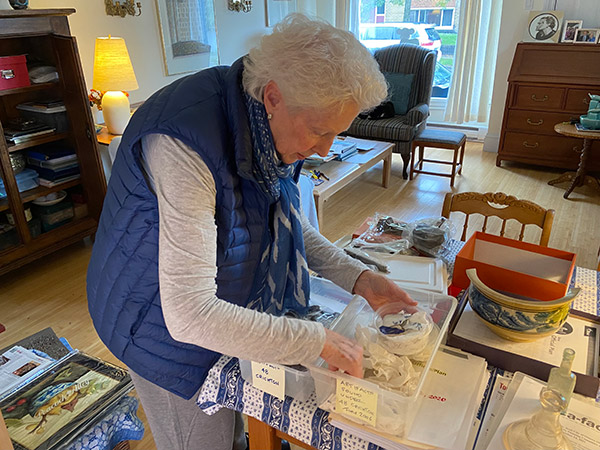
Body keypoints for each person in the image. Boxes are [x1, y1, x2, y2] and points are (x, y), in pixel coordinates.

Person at [86, 14, 415, 450]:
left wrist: (357, 277)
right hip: (153, 325)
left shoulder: (267, 122)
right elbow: (189, 316)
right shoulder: (183, 144)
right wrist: (316, 341)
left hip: (211, 304)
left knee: (237, 424)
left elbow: (282, 221)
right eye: (320, 131)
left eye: (336, 133)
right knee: (203, 443)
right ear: (274, 96)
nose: (324, 149)